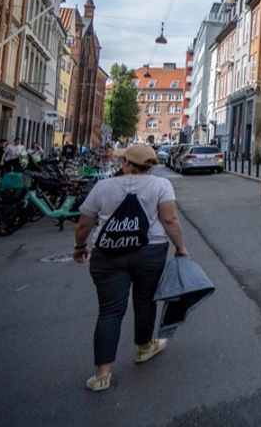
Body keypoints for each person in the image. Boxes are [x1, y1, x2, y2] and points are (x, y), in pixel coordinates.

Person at [72, 144, 189, 392]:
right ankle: (144, 347)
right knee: (145, 300)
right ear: (151, 165)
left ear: (125, 162)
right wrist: (180, 247)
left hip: (108, 255)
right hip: (150, 252)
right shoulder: (161, 185)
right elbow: (169, 219)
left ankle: (102, 373)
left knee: (110, 311)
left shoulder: (103, 187)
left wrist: (79, 246)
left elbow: (85, 223)